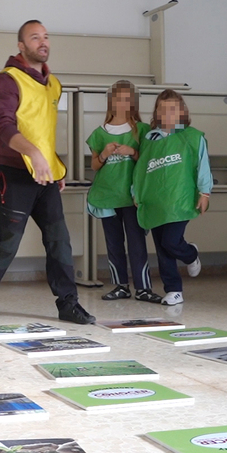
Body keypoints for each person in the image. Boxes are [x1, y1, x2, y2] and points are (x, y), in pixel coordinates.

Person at [0, 20, 94, 325]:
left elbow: (42, 130)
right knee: (9, 239)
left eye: (46, 37)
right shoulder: (5, 81)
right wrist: (34, 154)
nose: (43, 42)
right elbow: (3, 125)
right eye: (35, 37)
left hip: (43, 173)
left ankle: (68, 304)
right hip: (9, 171)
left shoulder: (54, 85)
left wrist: (53, 165)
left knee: (59, 239)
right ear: (21, 45)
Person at [132, 89, 211, 306]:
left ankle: (190, 254)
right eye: (163, 110)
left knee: (170, 241)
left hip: (180, 199)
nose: (168, 114)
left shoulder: (192, 137)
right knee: (161, 246)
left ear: (182, 112)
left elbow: (202, 166)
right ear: (156, 113)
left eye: (173, 109)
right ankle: (174, 290)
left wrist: (204, 192)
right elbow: (141, 169)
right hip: (156, 201)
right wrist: (136, 192)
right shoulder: (149, 139)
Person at [86, 80, 154, 302]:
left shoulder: (142, 130)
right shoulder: (99, 134)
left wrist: (132, 152)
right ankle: (120, 286)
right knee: (113, 243)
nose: (123, 103)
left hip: (132, 198)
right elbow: (95, 166)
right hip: (107, 196)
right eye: (118, 99)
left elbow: (149, 161)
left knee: (137, 242)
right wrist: (104, 154)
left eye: (127, 99)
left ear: (133, 102)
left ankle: (143, 288)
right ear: (111, 101)